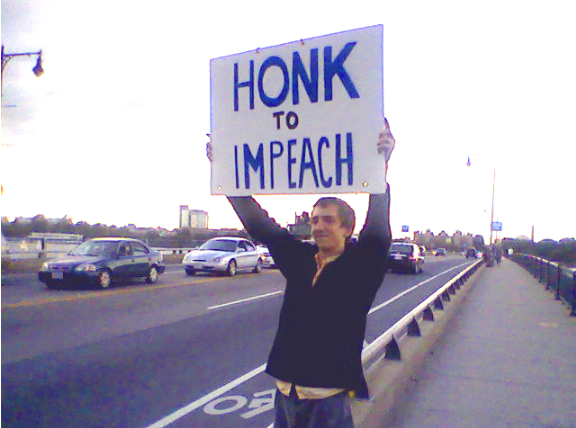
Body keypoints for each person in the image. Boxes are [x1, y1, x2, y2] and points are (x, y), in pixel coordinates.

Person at [206, 119, 395, 428]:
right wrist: (226, 173)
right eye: (315, 220)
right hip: (285, 394)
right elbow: (261, 226)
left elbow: (376, 232)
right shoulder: (301, 259)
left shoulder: (362, 266)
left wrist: (380, 167)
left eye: (328, 220)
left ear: (347, 229)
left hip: (327, 400)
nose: (319, 226)